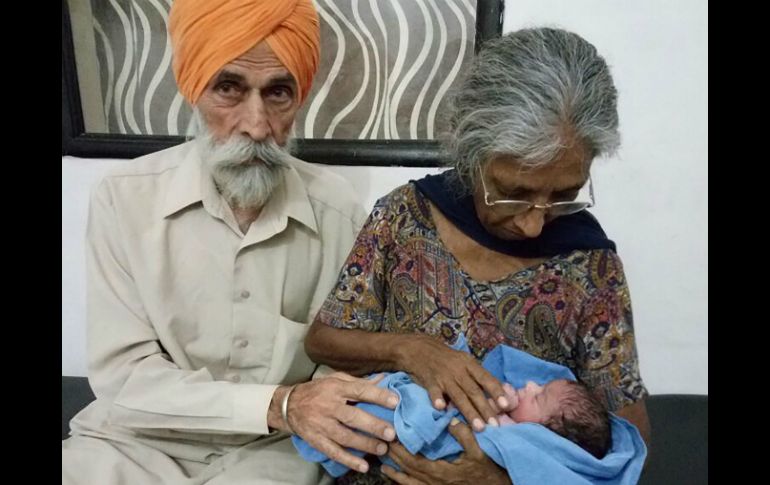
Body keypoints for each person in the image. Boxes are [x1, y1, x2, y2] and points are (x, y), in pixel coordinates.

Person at [61, 1, 401, 483]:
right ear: (194, 88)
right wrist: (279, 403)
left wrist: (304, 408)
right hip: (133, 441)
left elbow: (339, 365)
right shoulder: (125, 199)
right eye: (229, 88)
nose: (256, 125)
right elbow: (126, 378)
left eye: (278, 93)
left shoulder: (338, 211)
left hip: (276, 451)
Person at [304, 27, 651, 484]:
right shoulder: (405, 218)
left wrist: (505, 480)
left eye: (564, 194)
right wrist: (410, 349)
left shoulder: (590, 265)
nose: (534, 223)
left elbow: (625, 439)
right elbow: (323, 340)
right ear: (472, 156)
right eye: (513, 193)